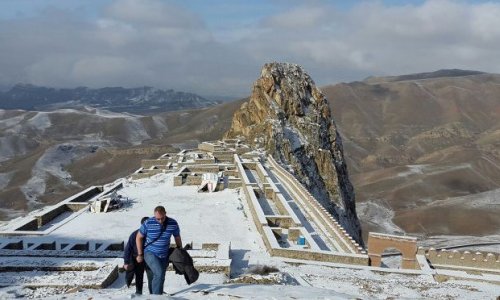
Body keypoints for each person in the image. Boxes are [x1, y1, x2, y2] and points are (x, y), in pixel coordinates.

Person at [136, 205, 182, 295]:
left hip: (164, 254)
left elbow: (177, 236)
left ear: (165, 214)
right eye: (158, 219)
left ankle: (158, 295)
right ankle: (156, 298)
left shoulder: (172, 223)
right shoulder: (148, 223)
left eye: (162, 218)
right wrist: (140, 254)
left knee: (161, 276)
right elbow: (138, 237)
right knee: (159, 274)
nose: (160, 221)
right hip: (150, 253)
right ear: (154, 216)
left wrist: (180, 249)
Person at [123, 216, 150, 295]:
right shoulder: (134, 234)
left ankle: (154, 292)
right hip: (137, 258)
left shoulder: (153, 234)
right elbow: (128, 249)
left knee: (152, 275)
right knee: (139, 275)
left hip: (150, 257)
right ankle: (139, 291)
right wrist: (126, 262)